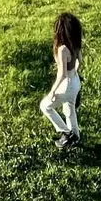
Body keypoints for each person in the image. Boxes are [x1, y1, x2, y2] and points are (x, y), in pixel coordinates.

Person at [40, 12, 83, 148]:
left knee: (45, 106)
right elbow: (79, 62)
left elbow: (62, 74)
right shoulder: (75, 44)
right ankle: (75, 136)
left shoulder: (62, 49)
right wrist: (74, 73)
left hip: (67, 84)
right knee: (69, 108)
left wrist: (53, 91)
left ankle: (66, 133)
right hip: (75, 81)